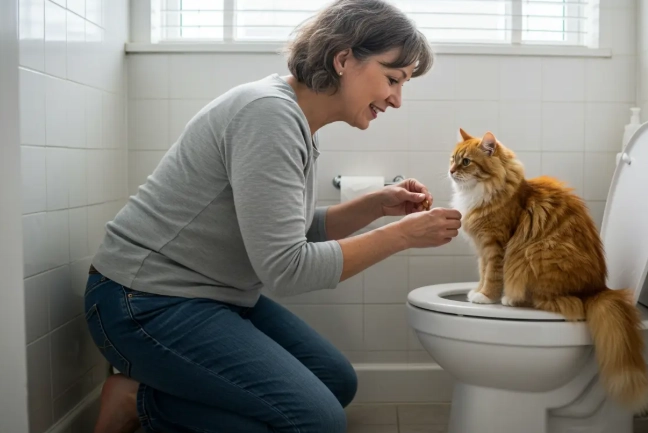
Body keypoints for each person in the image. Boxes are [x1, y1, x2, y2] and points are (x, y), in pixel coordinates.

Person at [83, 1, 462, 432]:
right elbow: (287, 269)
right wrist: (403, 235)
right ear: (342, 59)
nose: (396, 99)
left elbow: (286, 232)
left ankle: (152, 396)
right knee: (317, 422)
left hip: (208, 296)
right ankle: (140, 403)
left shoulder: (293, 119)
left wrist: (376, 206)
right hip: (143, 303)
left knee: (334, 381)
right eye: (393, 79)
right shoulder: (269, 115)